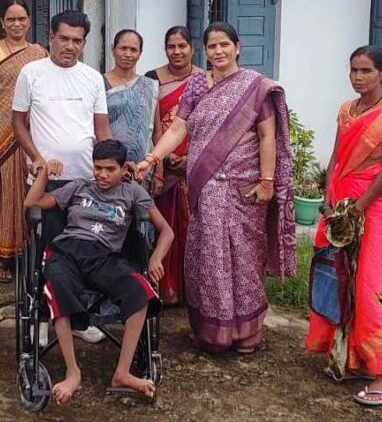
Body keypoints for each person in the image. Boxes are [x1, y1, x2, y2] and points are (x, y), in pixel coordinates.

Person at [137, 22, 296, 353]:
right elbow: (178, 128)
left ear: (238, 48)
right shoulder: (197, 85)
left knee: (244, 259)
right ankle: (214, 333)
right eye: (212, 46)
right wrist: (152, 158)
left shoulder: (255, 87)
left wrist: (267, 181)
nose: (219, 51)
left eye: (225, 44)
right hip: (206, 187)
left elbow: (267, 135)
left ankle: (247, 334)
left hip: (245, 187)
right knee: (209, 257)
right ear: (206, 52)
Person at [24, 139, 174, 405]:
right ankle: (72, 372)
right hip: (67, 251)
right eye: (98, 168)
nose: (102, 175)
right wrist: (44, 172)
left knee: (141, 291)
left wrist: (155, 258)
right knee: (58, 287)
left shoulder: (132, 192)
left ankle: (122, 372)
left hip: (105, 256)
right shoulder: (79, 187)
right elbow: (32, 202)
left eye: (110, 169)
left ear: (123, 169)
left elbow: (167, 231)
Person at [305, 45, 382, 407]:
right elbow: (336, 159)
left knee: (367, 284)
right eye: (353, 70)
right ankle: (353, 359)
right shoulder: (346, 110)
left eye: (366, 71)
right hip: (340, 204)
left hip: (373, 206)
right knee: (338, 277)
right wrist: (328, 201)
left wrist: (358, 209)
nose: (357, 77)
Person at [12, 9, 112, 343]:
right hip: (47, 185)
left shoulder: (92, 78)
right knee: (46, 254)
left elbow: (101, 129)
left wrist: (115, 164)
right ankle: (42, 319)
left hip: (86, 184)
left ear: (84, 43)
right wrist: (37, 159)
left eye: (77, 41)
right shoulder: (32, 73)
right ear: (51, 37)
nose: (70, 46)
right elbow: (18, 124)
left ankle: (79, 319)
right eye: (64, 38)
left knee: (84, 251)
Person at [0, 0, 48, 283]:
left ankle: (27, 249)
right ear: (2, 22)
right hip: (0, 130)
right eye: (11, 19)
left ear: (29, 21)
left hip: (32, 130)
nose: (16, 24)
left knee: (28, 187)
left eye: (21, 19)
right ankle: (1, 254)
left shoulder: (40, 53)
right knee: (4, 188)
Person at [145, 26, 203, 305]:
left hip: (197, 166)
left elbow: (208, 126)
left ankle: (194, 291)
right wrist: (161, 161)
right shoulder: (152, 79)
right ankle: (164, 289)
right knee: (163, 226)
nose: (177, 51)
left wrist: (190, 158)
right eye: (171, 46)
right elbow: (150, 125)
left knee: (194, 228)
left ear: (192, 48)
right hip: (163, 167)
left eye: (182, 46)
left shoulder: (205, 80)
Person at [104, 29, 162, 188]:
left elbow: (156, 132)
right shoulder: (98, 83)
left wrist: (159, 170)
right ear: (113, 49)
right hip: (107, 168)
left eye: (133, 50)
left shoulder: (149, 86)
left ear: (140, 53)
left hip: (141, 171)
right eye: (123, 48)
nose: (128, 54)